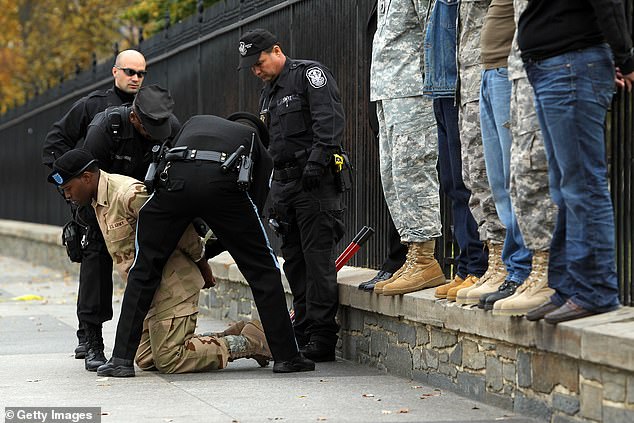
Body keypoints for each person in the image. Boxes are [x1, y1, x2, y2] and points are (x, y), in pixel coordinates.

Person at [95, 113, 315, 376]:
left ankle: (120, 360)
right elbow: (253, 207)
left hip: (174, 183)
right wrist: (220, 241)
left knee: (143, 270)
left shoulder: (195, 121)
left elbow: (169, 160)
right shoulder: (256, 142)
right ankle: (287, 357)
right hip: (222, 186)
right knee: (263, 270)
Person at [47, 149, 272, 375]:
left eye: (68, 189)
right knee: (145, 358)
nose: (67, 196)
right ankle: (237, 334)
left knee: (169, 359)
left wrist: (203, 265)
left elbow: (178, 227)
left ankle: (250, 342)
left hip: (174, 286)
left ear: (86, 177)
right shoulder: (97, 201)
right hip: (151, 294)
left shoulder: (129, 195)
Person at [519, 0, 634, 323]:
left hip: (571, 65)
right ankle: (570, 287)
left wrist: (623, 56)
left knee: (582, 184)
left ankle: (596, 291)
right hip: (555, 66)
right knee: (564, 187)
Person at [237, 28, 346, 361]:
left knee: (317, 263)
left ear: (277, 51)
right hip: (284, 188)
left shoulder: (307, 76)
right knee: (295, 264)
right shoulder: (268, 94)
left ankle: (323, 335)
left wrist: (318, 161)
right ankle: (303, 328)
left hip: (314, 185)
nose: (257, 71)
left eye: (260, 62)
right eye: (252, 67)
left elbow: (328, 120)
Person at [41, 50, 147, 361]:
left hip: (135, 200)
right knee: (95, 264)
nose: (135, 78)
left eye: (141, 73)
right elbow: (54, 142)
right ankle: (91, 338)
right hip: (97, 200)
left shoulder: (149, 107)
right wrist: (71, 179)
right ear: (115, 72)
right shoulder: (93, 105)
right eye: (129, 72)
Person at [369, 0, 447, 297]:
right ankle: (413, 253)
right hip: (387, 90)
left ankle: (425, 258)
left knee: (413, 169)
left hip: (413, 89)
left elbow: (433, 28)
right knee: (393, 175)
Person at [490, 0, 556, 316]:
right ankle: (521, 268)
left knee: (534, 173)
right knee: (509, 178)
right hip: (515, 63)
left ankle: (540, 269)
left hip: (540, 61)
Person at [423, 0, 488, 301]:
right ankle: (465, 266)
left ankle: (477, 265)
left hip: (457, 85)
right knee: (450, 181)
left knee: (467, 182)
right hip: (440, 87)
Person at [475, 0, 533, 310]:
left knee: (516, 179)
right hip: (488, 71)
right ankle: (513, 269)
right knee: (498, 182)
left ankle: (522, 271)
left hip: (509, 69)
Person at [82, 84, 181, 182]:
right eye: (148, 129)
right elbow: (90, 181)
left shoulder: (171, 126)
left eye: (160, 130)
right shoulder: (102, 131)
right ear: (133, 117)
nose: (154, 135)